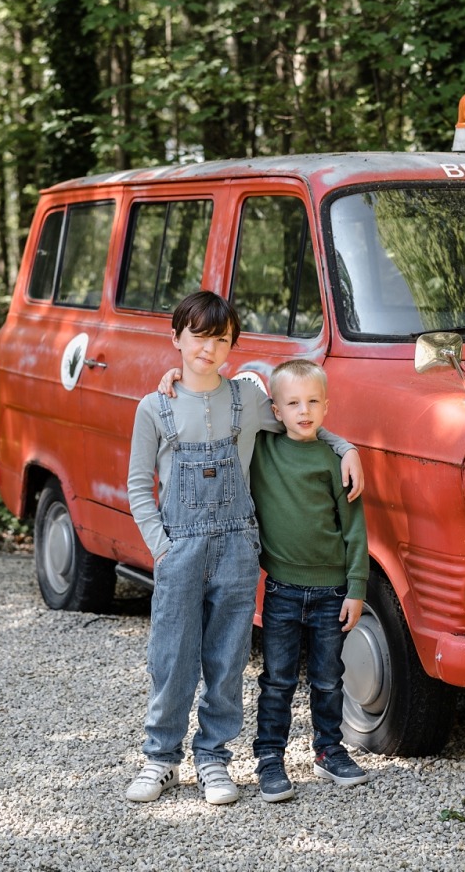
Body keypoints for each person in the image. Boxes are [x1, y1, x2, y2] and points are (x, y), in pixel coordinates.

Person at [123, 291, 363, 806]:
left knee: (227, 659)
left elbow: (303, 422)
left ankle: (213, 759)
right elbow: (139, 485)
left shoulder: (247, 400)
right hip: (180, 549)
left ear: (231, 346)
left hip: (235, 549)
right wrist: (162, 549)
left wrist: (346, 448)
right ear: (177, 338)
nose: (207, 349)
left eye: (220, 339)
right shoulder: (155, 406)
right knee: (172, 658)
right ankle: (161, 759)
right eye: (198, 337)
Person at [249, 358, 370, 802]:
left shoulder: (334, 460)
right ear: (275, 410)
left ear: (326, 406)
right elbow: (228, 393)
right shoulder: (262, 448)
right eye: (293, 403)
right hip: (281, 589)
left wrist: (356, 589)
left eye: (314, 401)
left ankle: (328, 751)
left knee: (327, 679)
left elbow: (355, 531)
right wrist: (172, 376)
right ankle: (269, 758)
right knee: (277, 679)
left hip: (331, 592)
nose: (304, 411)